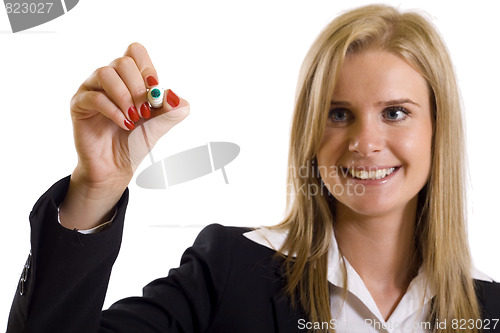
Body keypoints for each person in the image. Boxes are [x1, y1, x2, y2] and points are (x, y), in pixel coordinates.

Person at [7, 4, 500, 333]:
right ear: (310, 131)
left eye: (395, 112)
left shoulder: (491, 312)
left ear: (440, 131)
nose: (365, 143)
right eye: (338, 113)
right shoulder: (229, 271)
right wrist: (97, 187)